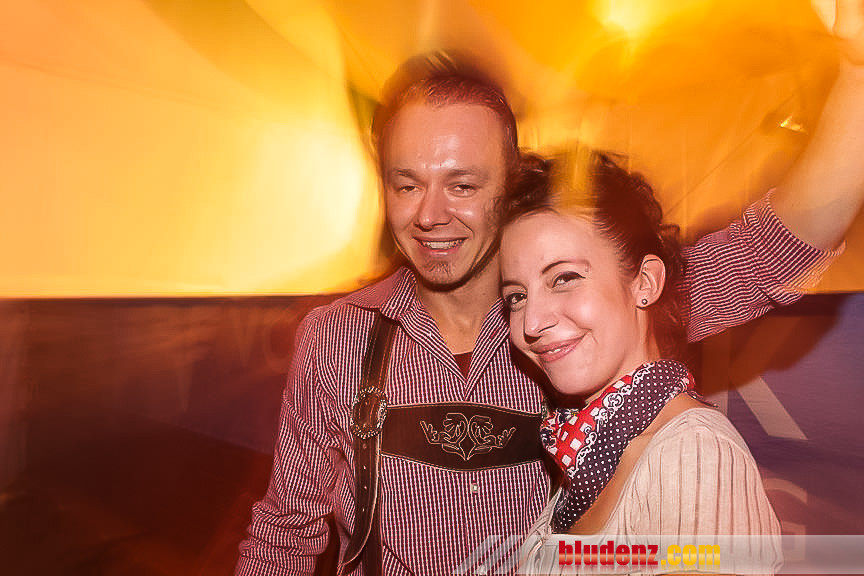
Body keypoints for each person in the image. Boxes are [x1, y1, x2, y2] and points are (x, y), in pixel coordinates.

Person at [236, 2, 864, 572]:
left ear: (509, 183)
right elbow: (284, 536)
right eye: (407, 184)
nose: (429, 214)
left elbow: (772, 252)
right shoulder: (336, 338)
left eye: (462, 185)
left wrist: (856, 77)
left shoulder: (588, 315)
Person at [503, 150, 782, 574]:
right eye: (517, 297)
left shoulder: (692, 453)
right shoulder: (592, 446)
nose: (532, 322)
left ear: (645, 283)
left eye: (564, 278)